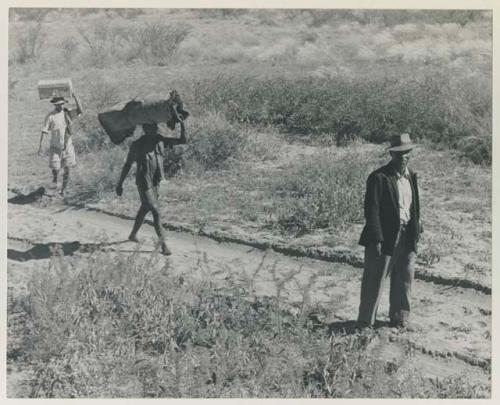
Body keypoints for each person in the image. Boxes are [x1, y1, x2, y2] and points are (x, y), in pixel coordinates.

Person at [357, 133, 422, 331]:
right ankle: (365, 323)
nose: (404, 156)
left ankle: (400, 319)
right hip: (385, 237)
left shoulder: (411, 176)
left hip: (407, 233)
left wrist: (417, 226)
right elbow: (372, 209)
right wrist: (376, 238)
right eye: (399, 153)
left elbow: (414, 205)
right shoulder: (379, 177)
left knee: (404, 277)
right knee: (375, 280)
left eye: (407, 152)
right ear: (392, 154)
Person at [116, 120, 187, 256]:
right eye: (150, 127)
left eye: (155, 127)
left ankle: (132, 234)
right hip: (143, 182)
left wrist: (181, 123)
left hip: (155, 182)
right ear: (144, 128)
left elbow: (182, 140)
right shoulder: (137, 145)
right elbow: (127, 165)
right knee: (155, 210)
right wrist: (119, 184)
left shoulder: (160, 141)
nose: (154, 130)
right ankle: (163, 244)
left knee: (145, 208)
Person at [38, 93, 83, 196]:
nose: (60, 106)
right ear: (54, 105)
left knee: (68, 168)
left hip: (67, 146)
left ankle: (64, 190)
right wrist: (40, 146)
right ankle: (55, 181)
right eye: (58, 104)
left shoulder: (68, 113)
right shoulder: (50, 116)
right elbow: (44, 131)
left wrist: (76, 97)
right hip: (55, 147)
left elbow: (80, 110)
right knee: (56, 168)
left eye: (62, 104)